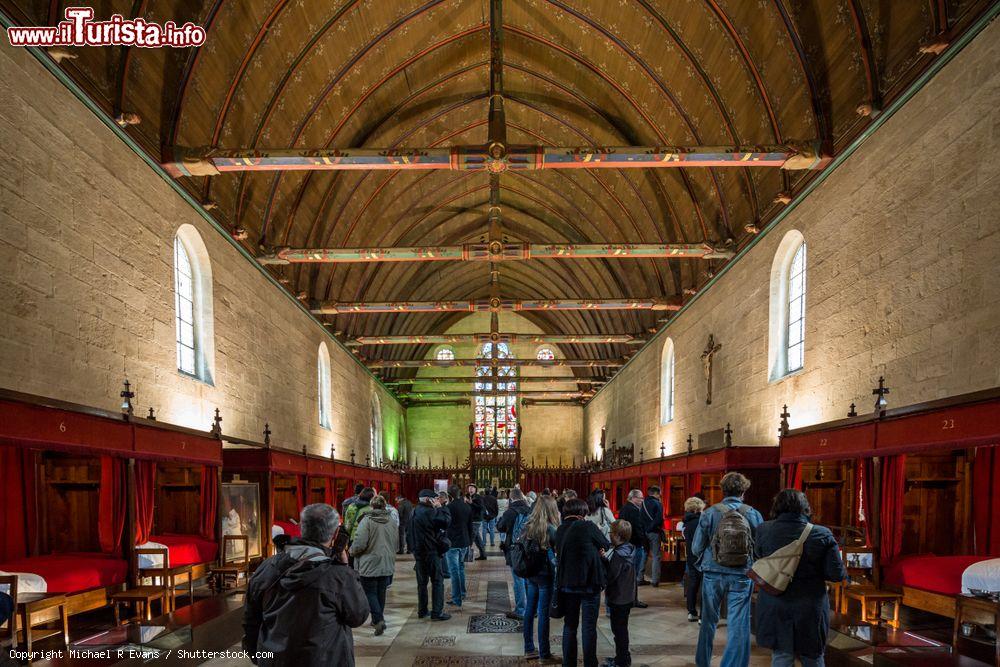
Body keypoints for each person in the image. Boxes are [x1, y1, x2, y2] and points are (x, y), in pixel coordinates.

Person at [243, 503, 369, 666]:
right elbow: (357, 616)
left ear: (301, 528)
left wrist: (260, 656)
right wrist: (345, 568)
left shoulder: (267, 567)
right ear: (336, 533)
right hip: (325, 660)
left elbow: (251, 620)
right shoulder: (337, 576)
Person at [755, 489, 847, 667]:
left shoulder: (763, 530)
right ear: (805, 508)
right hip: (810, 605)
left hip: (775, 600)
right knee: (812, 655)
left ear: (777, 506)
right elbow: (836, 574)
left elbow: (758, 555)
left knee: (781, 655)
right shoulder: (822, 533)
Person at [692, 472, 764, 667]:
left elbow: (696, 547)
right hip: (742, 573)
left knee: (708, 620)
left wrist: (704, 561)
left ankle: (702, 661)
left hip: (713, 572)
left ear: (722, 490)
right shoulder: (752, 513)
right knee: (739, 622)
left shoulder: (710, 512)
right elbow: (759, 547)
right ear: (744, 491)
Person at [555, 497, 611, 667]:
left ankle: (568, 663)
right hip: (589, 583)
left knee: (570, 625)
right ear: (582, 512)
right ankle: (590, 663)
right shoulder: (588, 526)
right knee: (588, 627)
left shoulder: (560, 530)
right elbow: (606, 544)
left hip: (567, 583)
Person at [349, 495, 399, 636]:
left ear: (371, 506)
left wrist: (351, 552)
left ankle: (378, 620)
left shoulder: (367, 521)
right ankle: (378, 618)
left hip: (369, 562)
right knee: (381, 592)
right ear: (385, 506)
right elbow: (396, 542)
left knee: (369, 592)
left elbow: (359, 543)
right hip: (387, 561)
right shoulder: (391, 520)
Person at [520, 495, 561, 663]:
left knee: (530, 610)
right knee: (543, 613)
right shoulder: (551, 529)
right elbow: (559, 551)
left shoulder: (527, 526)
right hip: (545, 574)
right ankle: (545, 654)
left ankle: (529, 648)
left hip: (530, 573)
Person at [407, 489, 451, 621]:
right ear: (428, 500)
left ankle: (422, 610)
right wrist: (441, 507)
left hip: (418, 552)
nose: (437, 501)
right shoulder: (430, 511)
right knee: (437, 581)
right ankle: (437, 612)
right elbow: (446, 521)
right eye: (435, 499)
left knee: (422, 583)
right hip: (431, 552)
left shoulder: (414, 511)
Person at [604, 520, 638, 667]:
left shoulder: (619, 555)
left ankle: (622, 661)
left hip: (618, 597)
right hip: (627, 595)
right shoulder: (629, 549)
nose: (609, 535)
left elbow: (611, 576)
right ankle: (622, 658)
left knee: (619, 631)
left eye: (611, 533)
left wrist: (603, 563)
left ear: (617, 536)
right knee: (621, 629)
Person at [498, 487, 532, 620]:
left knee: (518, 579)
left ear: (511, 498)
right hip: (529, 547)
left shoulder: (510, 512)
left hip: (515, 549)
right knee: (529, 578)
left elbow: (500, 527)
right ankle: (532, 608)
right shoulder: (531, 509)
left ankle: (520, 610)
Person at [617, 490, 650, 607]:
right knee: (633, 574)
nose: (642, 501)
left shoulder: (624, 508)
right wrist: (643, 542)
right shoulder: (633, 510)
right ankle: (633, 600)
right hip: (634, 545)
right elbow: (638, 528)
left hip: (625, 544)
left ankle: (628, 599)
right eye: (640, 498)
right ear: (633, 498)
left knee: (627, 575)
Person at [445, 484, 473, 607]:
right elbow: (470, 525)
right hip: (465, 541)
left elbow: (445, 525)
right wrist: (470, 541)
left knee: (454, 570)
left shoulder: (449, 507)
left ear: (449, 495)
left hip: (453, 542)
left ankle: (457, 599)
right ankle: (462, 593)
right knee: (460, 567)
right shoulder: (467, 506)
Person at [681, 496, 706, 622]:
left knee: (693, 583)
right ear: (698, 508)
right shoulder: (701, 522)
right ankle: (702, 615)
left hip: (690, 556)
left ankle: (691, 612)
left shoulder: (685, 523)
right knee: (704, 585)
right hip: (702, 556)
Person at [642, 486, 665, 587]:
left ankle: (639, 577)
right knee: (656, 556)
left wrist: (645, 529)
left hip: (643, 532)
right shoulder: (657, 503)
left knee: (644, 554)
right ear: (657, 493)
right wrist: (650, 528)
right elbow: (658, 519)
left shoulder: (643, 503)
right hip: (654, 532)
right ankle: (655, 580)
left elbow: (640, 517)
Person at [467, 484, 488, 561]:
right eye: (469, 488)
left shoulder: (478, 497)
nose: (470, 489)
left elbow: (482, 508)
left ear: (475, 489)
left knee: (470, 538)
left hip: (476, 520)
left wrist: (471, 503)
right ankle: (483, 555)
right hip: (472, 519)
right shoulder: (470, 497)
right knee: (477, 539)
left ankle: (466, 556)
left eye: (472, 488)